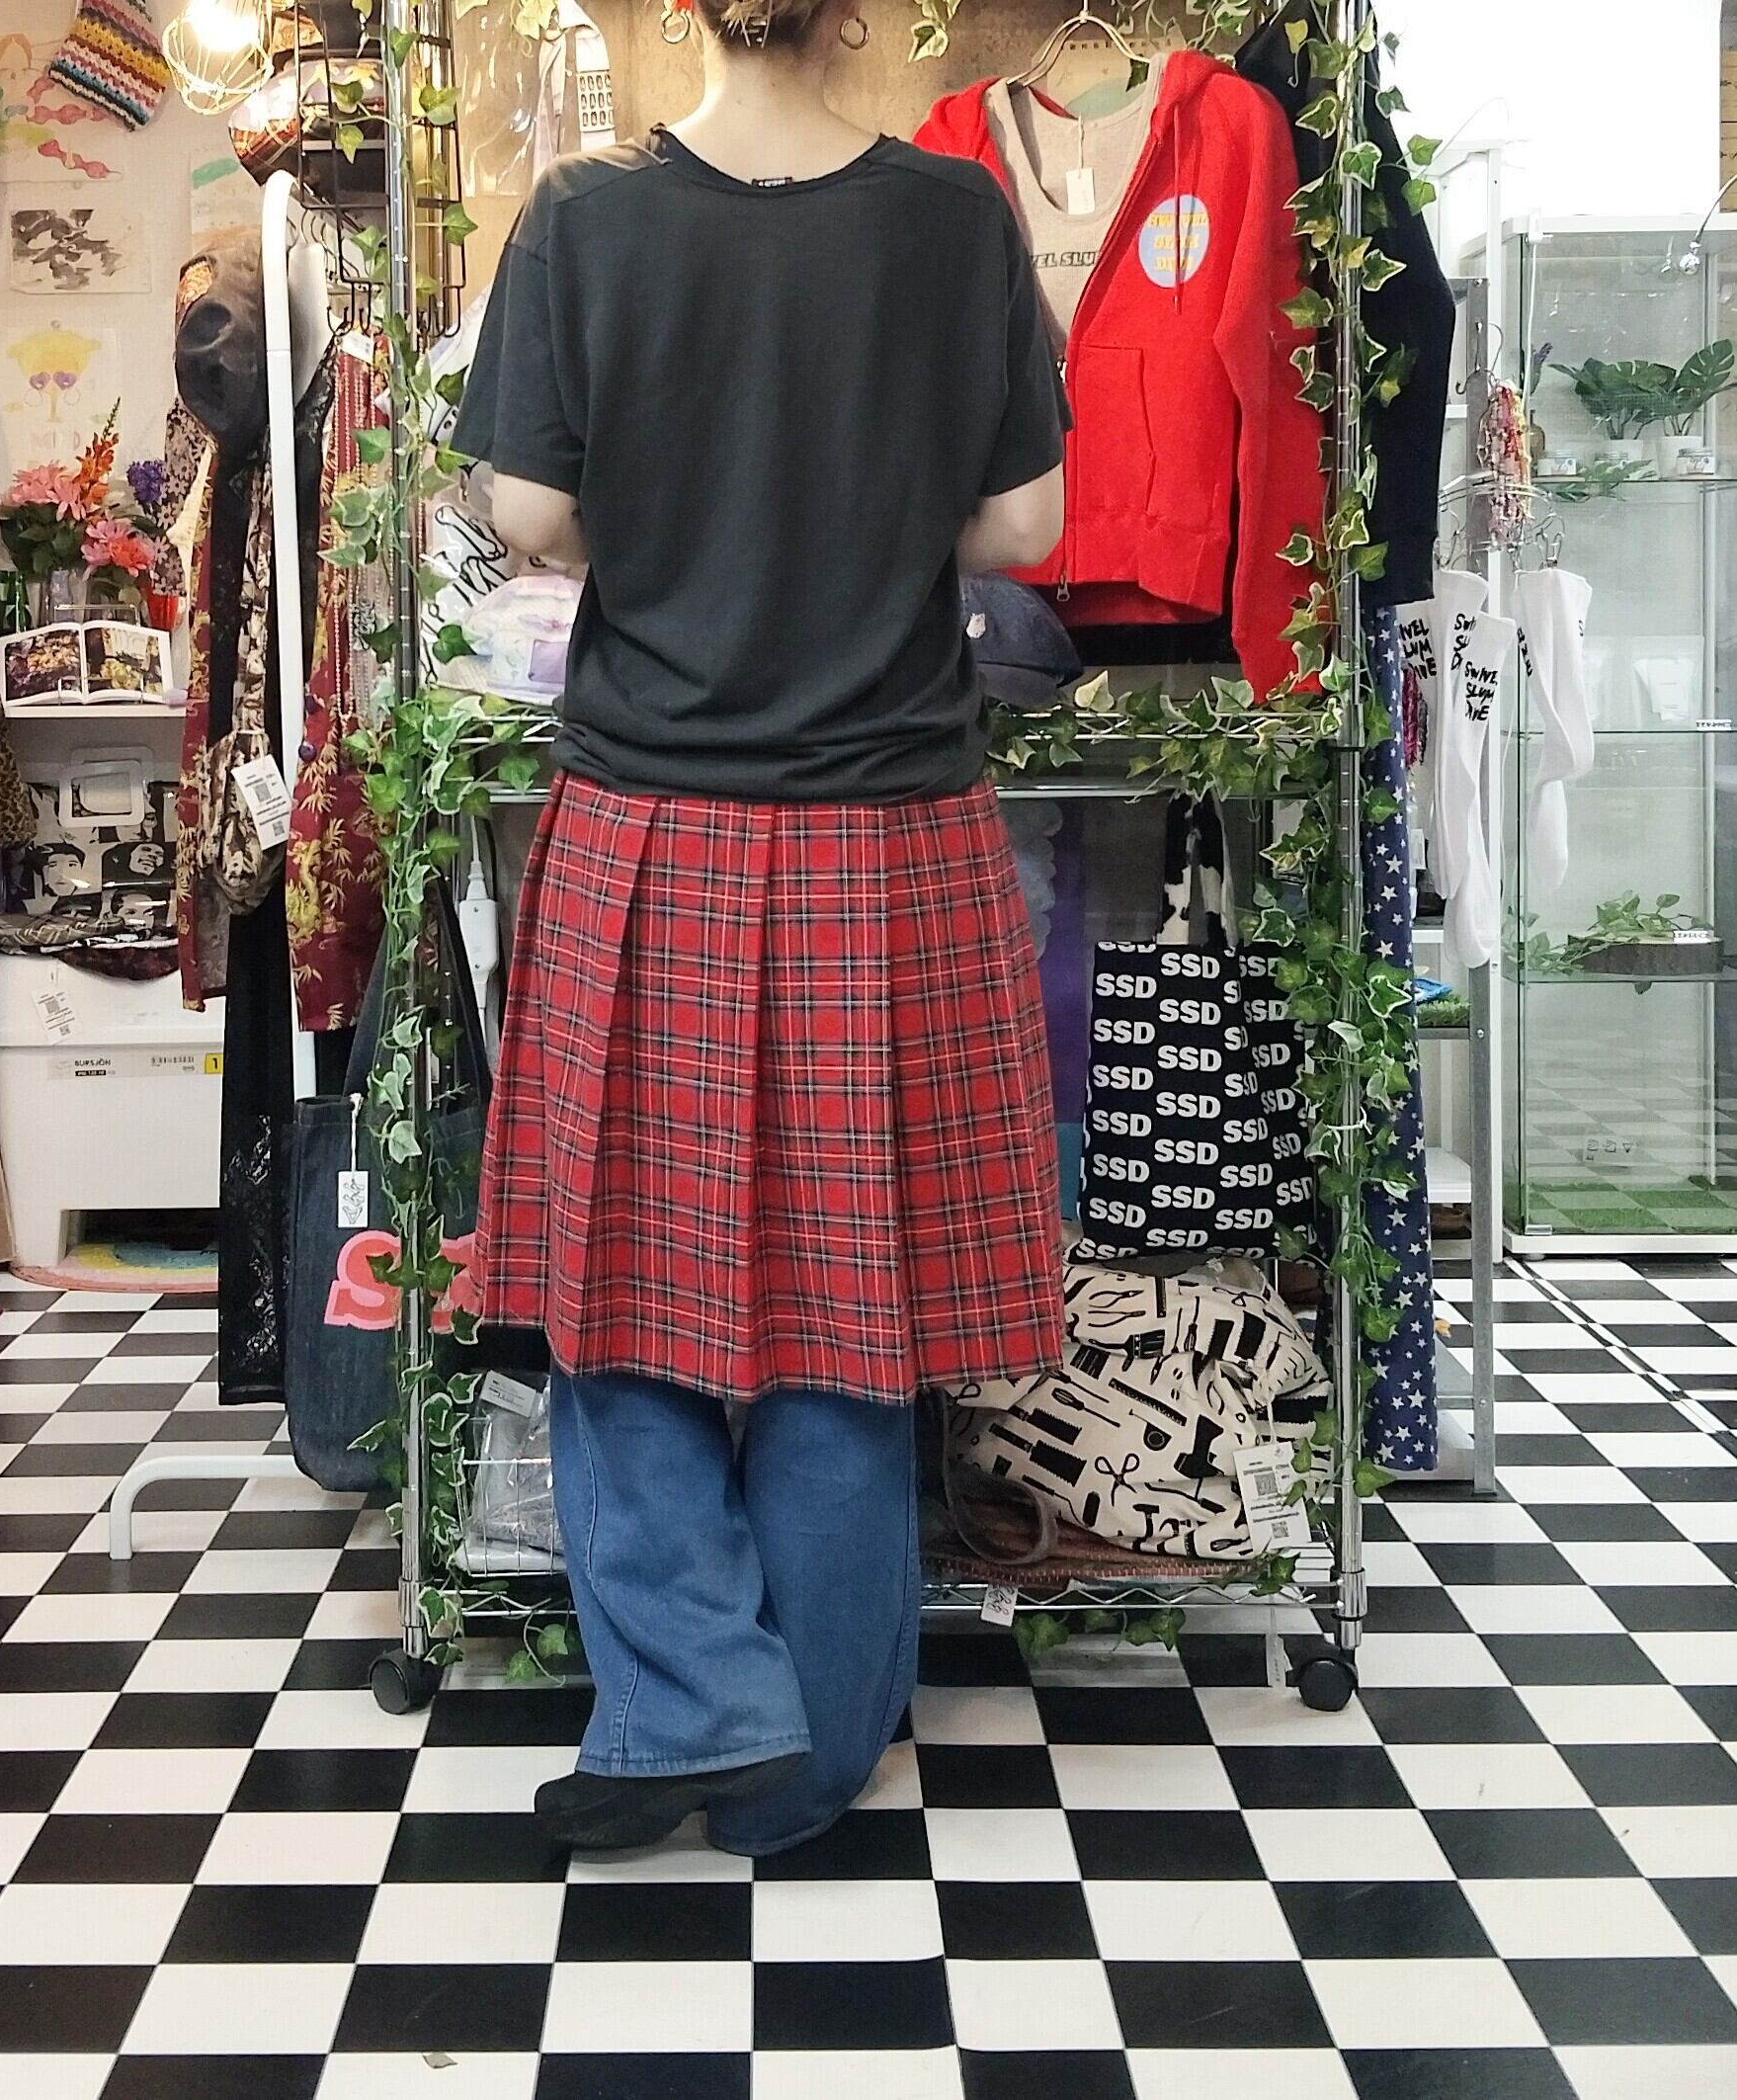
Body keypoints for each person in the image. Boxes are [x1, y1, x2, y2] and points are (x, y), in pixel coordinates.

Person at [454, 0, 1069, 1856]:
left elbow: (529, 509)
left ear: (681, 9)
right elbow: (1024, 527)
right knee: (847, 1310)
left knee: (610, 1290)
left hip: (654, 820)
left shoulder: (581, 217)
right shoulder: (954, 219)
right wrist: (856, 508)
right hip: (892, 830)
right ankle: (807, 1765)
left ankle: (694, 1701)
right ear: (859, 13)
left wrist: (680, 515)